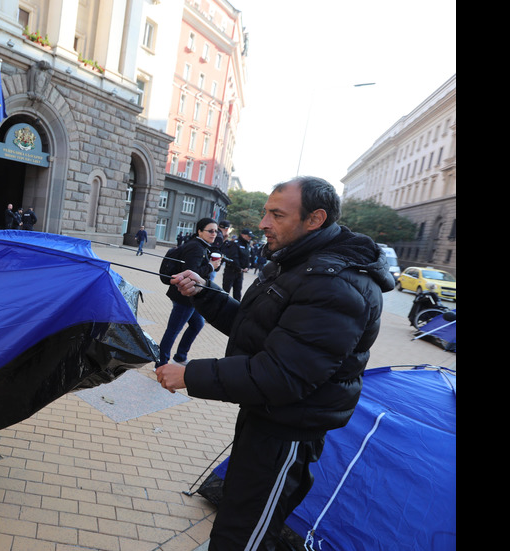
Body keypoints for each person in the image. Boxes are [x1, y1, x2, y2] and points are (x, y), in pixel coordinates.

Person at [155, 177, 394, 551]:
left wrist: (190, 374)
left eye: (276, 214)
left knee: (243, 539)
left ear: (315, 219)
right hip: (265, 419)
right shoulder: (297, 263)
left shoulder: (335, 284)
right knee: (236, 525)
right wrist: (205, 293)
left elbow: (282, 373)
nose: (264, 223)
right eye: (266, 212)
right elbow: (257, 330)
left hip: (286, 432)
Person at [157, 218, 222, 367]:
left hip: (191, 296)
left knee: (197, 324)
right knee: (173, 330)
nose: (214, 234)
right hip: (184, 296)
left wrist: (213, 265)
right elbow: (191, 273)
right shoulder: (196, 247)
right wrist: (211, 266)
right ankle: (160, 363)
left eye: (216, 231)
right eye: (210, 231)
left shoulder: (201, 246)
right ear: (200, 231)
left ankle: (180, 356)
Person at [220, 228, 253, 300]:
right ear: (243, 235)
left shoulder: (247, 245)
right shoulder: (235, 244)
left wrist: (247, 266)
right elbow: (234, 257)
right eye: (248, 236)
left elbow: (247, 257)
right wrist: (239, 268)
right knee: (225, 291)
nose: (250, 238)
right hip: (231, 271)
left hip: (239, 273)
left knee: (237, 292)